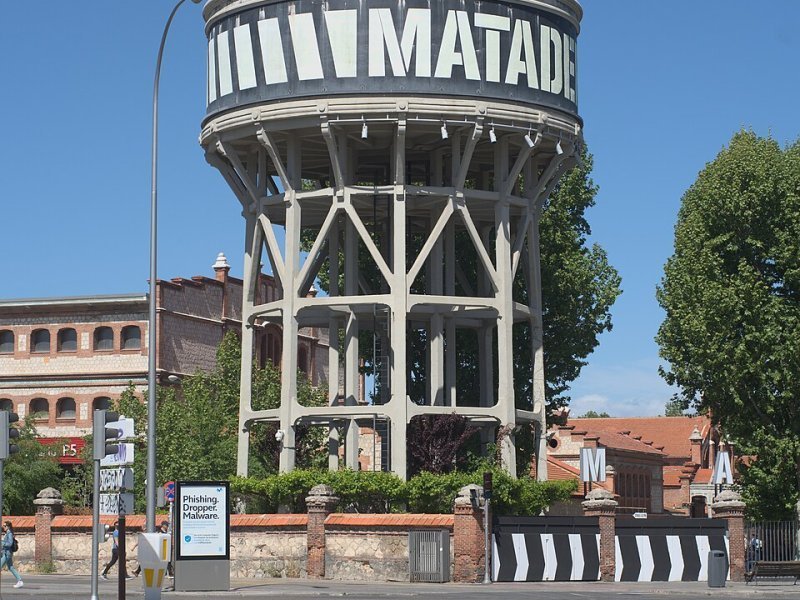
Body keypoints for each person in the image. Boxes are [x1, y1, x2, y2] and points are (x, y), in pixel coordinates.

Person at [1, 521, 24, 588]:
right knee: (11, 568)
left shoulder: (9, 533)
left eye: (4, 526)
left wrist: (2, 543)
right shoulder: (8, 533)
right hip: (7, 553)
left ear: (8, 527)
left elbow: (10, 543)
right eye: (3, 526)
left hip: (7, 553)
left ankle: (20, 581)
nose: (3, 527)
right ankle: (20, 581)